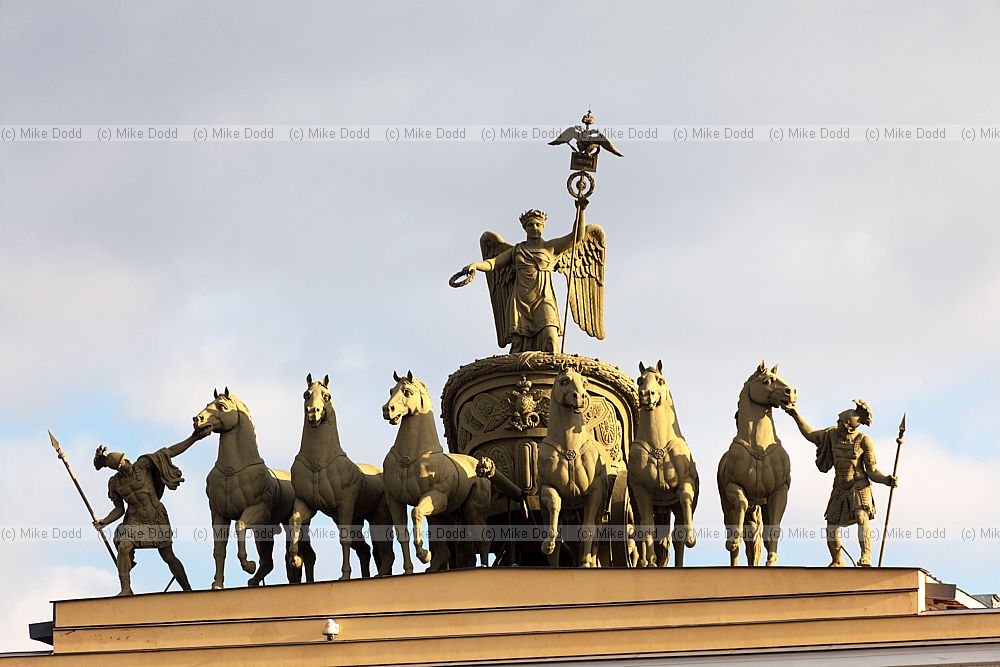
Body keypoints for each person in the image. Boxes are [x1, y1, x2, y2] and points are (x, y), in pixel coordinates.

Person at [461, 198, 589, 353]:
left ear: (543, 226)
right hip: (520, 301)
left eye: (538, 224)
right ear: (525, 228)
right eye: (530, 225)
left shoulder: (551, 248)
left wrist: (581, 210)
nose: (534, 228)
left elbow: (577, 236)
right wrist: (475, 265)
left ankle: (551, 373)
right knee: (518, 345)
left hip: (543, 298)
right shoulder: (517, 250)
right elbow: (493, 263)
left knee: (551, 336)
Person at [93, 427, 210, 595]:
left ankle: (187, 590)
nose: (126, 464)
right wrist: (105, 521)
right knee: (124, 546)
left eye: (125, 460)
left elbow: (169, 452)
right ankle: (126, 589)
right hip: (134, 520)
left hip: (156, 516)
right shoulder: (116, 483)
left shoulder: (142, 466)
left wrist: (193, 438)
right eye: (121, 464)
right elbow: (119, 509)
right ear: (116, 468)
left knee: (168, 555)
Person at [783, 399, 898, 566]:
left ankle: (866, 556)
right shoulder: (831, 435)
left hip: (858, 484)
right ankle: (837, 560)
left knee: (861, 516)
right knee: (831, 526)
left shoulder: (864, 441)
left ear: (847, 426)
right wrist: (795, 414)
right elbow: (810, 434)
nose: (837, 424)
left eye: (840, 422)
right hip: (839, 485)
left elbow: (872, 471)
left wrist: (886, 479)